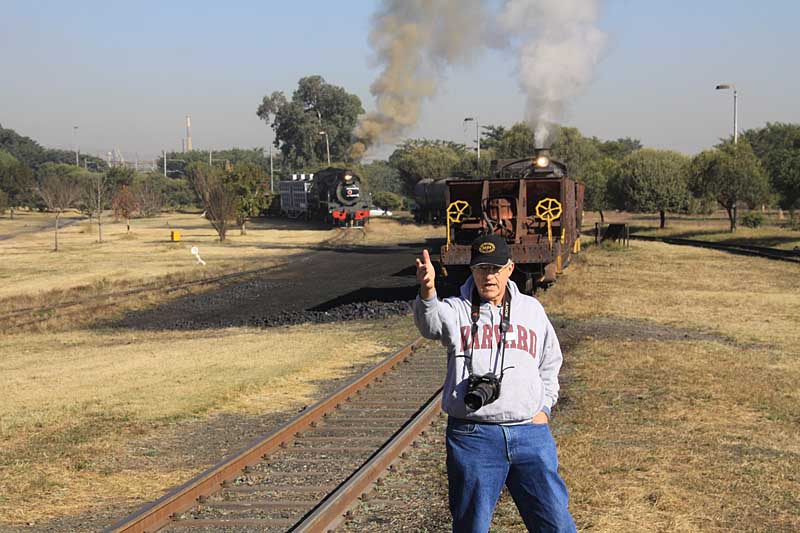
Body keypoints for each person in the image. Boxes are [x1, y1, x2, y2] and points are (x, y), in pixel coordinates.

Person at [413, 234, 575, 533]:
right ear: (472, 271)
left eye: (496, 268)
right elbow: (430, 325)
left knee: (556, 523)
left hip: (530, 433)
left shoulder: (531, 310)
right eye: (481, 268)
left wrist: (544, 409)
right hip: (474, 437)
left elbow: (550, 362)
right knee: (471, 526)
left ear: (510, 269)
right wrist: (427, 291)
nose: (489, 276)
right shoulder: (456, 309)